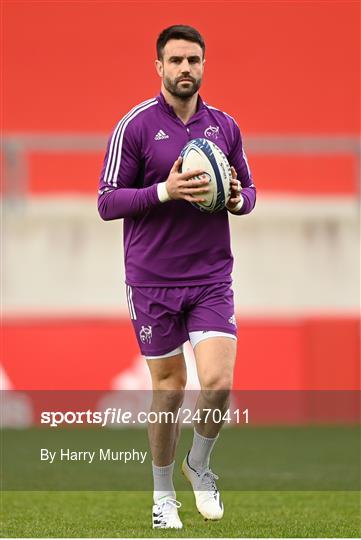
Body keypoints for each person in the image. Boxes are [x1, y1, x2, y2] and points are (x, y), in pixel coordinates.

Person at [98, 24, 256, 529]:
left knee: (218, 382)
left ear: (203, 65)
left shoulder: (225, 127)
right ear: (159, 67)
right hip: (152, 280)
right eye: (176, 61)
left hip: (211, 275)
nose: (185, 68)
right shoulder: (137, 126)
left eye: (194, 60)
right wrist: (165, 191)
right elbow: (107, 201)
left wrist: (236, 199)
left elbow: (249, 191)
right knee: (168, 389)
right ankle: (162, 495)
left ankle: (199, 465)